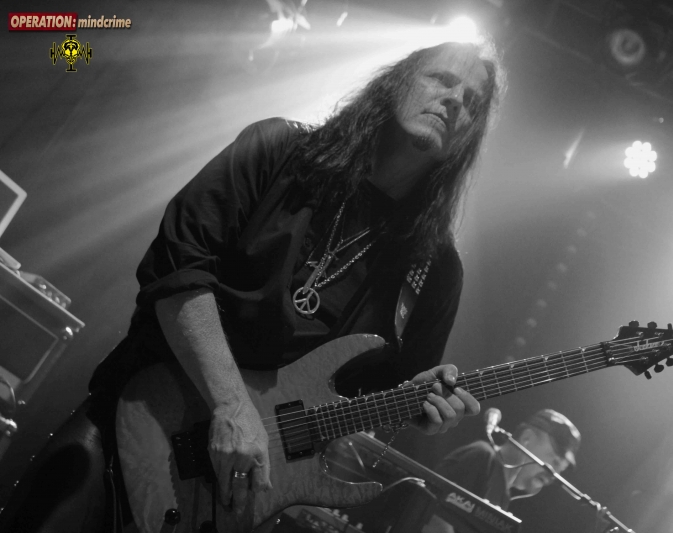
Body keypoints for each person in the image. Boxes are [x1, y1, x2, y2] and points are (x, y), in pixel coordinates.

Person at [0, 41, 505, 532]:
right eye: (442, 79)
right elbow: (178, 269)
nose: (454, 100)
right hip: (135, 427)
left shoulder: (434, 270)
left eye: (472, 102)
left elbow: (378, 396)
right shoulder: (279, 150)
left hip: (237, 497)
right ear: (396, 84)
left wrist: (422, 408)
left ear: (471, 134)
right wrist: (231, 404)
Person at [423, 409, 581, 533]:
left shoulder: (503, 495)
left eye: (560, 470)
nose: (554, 475)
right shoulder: (482, 457)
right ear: (527, 438)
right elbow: (433, 520)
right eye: (554, 461)